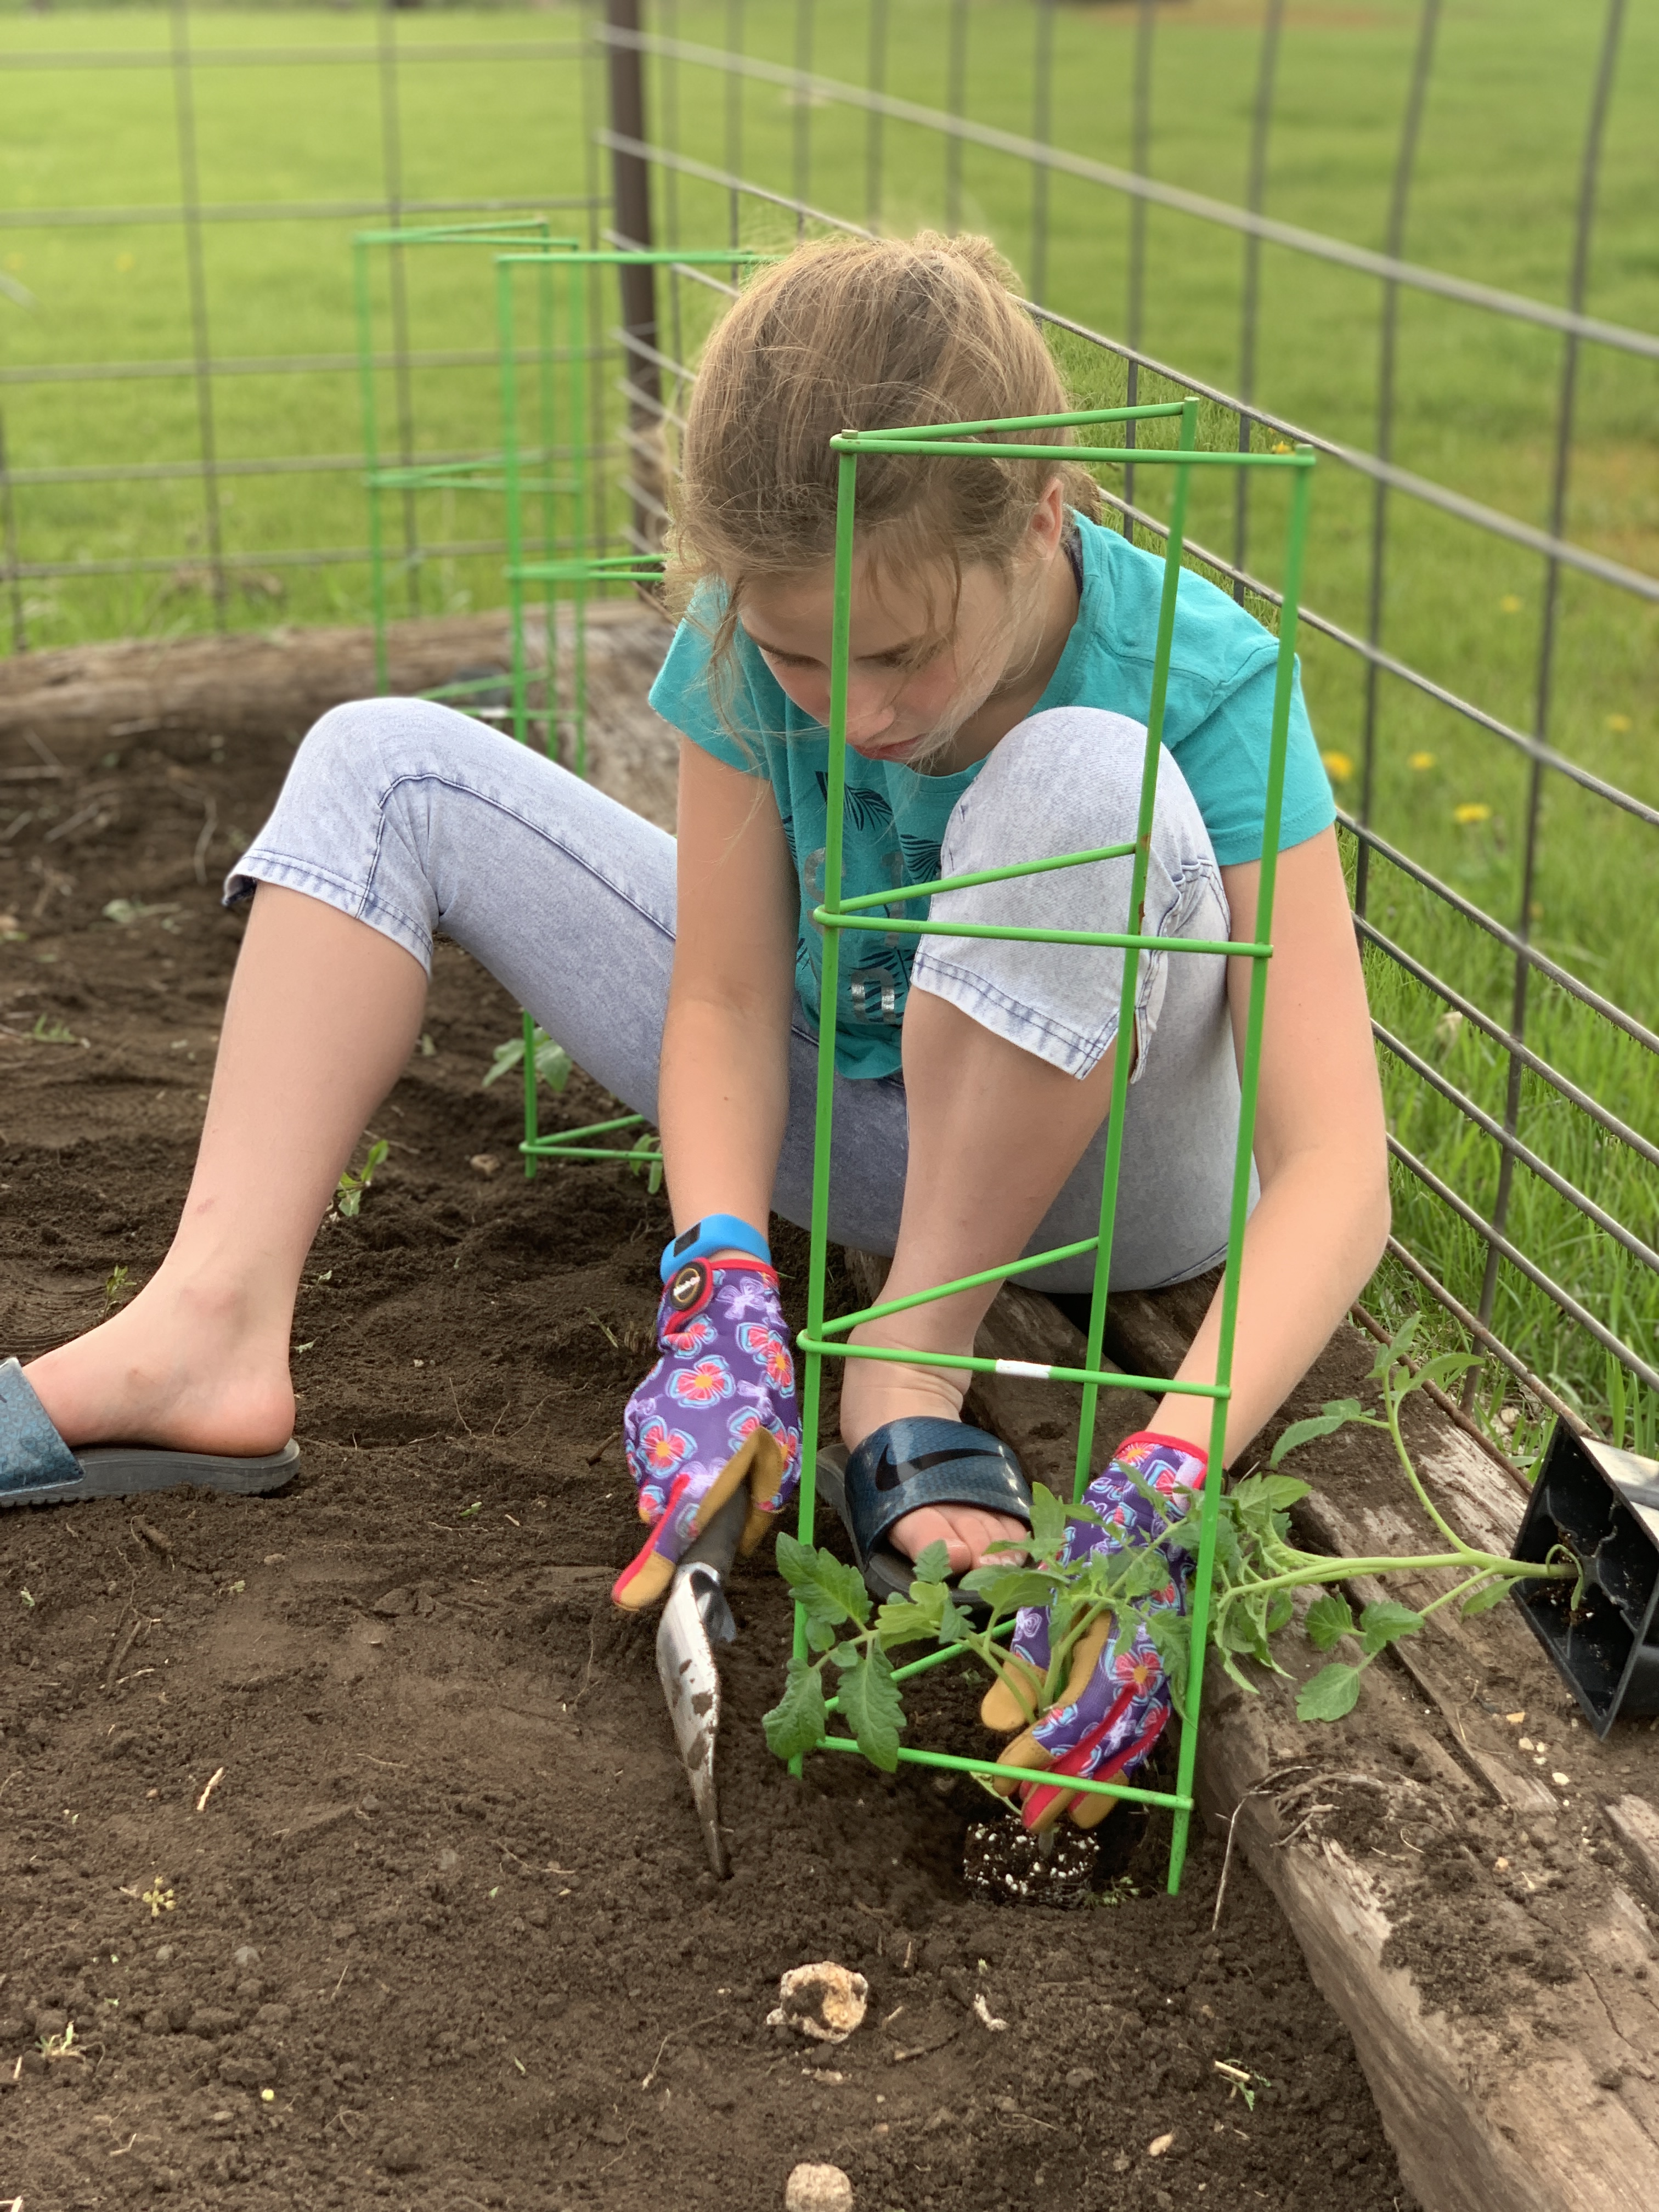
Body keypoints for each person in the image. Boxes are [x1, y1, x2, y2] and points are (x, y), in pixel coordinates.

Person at [0, 234, 1387, 1829]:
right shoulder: (750, 629)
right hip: (864, 1110)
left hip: (1112, 1168)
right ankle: (209, 1328)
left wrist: (1168, 1482)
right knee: (382, 764)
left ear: (1041, 519)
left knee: (1084, 784)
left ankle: (906, 1370)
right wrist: (720, 1278)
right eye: (799, 657)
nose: (857, 713)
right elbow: (727, 995)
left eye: (903, 653)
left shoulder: (1205, 678)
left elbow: (1337, 1170)